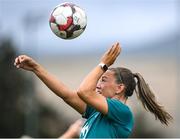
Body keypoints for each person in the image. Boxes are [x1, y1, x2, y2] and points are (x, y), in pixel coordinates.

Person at [14, 42, 172, 138]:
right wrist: (36, 68)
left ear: (119, 88)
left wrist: (104, 64)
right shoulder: (96, 112)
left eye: (103, 80)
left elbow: (84, 91)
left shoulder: (122, 111)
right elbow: (67, 95)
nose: (97, 85)